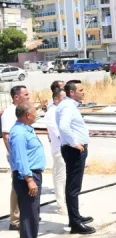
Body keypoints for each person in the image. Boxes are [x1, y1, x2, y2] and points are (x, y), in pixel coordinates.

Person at [9, 102, 50, 238]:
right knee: (28, 213)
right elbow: (21, 159)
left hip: (33, 174)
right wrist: (29, 179)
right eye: (34, 112)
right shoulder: (19, 133)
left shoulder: (26, 129)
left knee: (34, 211)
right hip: (27, 177)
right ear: (27, 115)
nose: (36, 114)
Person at [56, 80, 95, 235]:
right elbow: (64, 127)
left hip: (74, 149)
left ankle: (76, 216)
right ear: (71, 92)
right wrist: (75, 144)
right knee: (73, 187)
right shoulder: (67, 107)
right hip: (74, 151)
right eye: (81, 89)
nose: (83, 92)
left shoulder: (69, 106)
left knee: (75, 186)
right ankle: (75, 223)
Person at [2, 85, 30, 231]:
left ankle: (24, 214)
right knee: (17, 186)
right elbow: (6, 136)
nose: (28, 97)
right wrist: (14, 156)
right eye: (26, 95)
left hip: (23, 155)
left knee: (23, 185)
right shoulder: (10, 113)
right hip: (16, 155)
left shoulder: (21, 111)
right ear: (16, 97)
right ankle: (15, 219)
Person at [44, 81, 67, 215]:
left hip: (66, 148)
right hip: (60, 149)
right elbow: (58, 133)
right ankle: (61, 205)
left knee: (65, 177)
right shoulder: (52, 112)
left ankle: (66, 202)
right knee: (60, 177)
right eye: (63, 99)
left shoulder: (61, 110)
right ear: (56, 99)